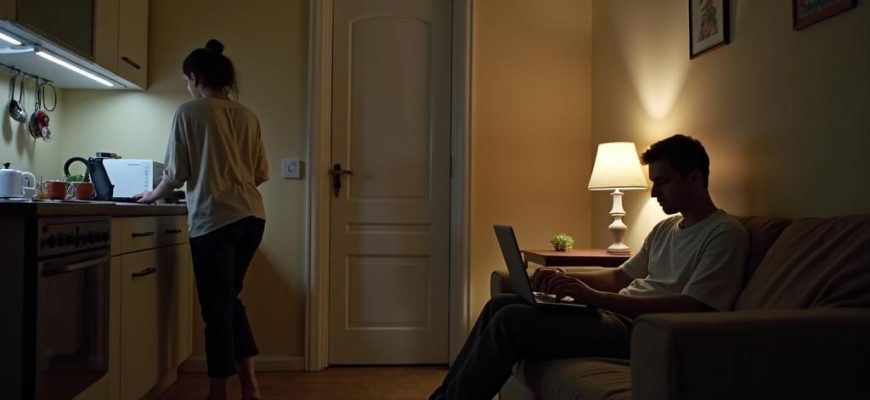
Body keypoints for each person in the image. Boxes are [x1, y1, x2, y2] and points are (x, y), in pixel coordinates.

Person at [429, 134, 749, 400]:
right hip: (614, 317)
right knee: (499, 304)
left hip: (644, 330)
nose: (654, 193)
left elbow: (694, 307)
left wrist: (597, 299)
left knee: (511, 321)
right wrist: (566, 279)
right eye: (654, 182)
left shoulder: (725, 233)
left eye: (662, 182)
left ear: (695, 178)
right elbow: (620, 275)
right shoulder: (665, 228)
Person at [137, 39, 268, 400]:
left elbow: (175, 174)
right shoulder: (249, 116)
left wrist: (150, 196)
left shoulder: (189, 112)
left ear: (194, 78)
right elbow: (259, 173)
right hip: (253, 217)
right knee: (230, 300)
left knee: (216, 309)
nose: (187, 87)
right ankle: (250, 388)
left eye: (186, 81)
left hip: (214, 220)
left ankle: (217, 392)